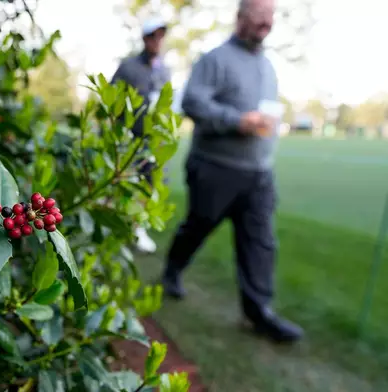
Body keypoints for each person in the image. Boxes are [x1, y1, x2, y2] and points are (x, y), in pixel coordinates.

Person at [161, 0, 304, 343]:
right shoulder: (215, 60)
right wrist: (236, 121)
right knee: (198, 226)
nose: (266, 24)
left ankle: (258, 313)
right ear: (240, 18)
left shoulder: (268, 66)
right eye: (259, 17)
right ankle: (172, 271)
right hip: (215, 168)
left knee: (260, 242)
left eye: (270, 18)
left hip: (258, 174)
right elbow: (192, 102)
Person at [111, 16, 171, 254]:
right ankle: (125, 226)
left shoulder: (164, 70)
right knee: (128, 184)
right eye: (152, 35)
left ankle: (138, 228)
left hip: (155, 141)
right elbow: (111, 101)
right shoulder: (128, 67)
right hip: (130, 139)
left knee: (152, 184)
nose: (157, 40)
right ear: (145, 38)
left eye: (161, 35)